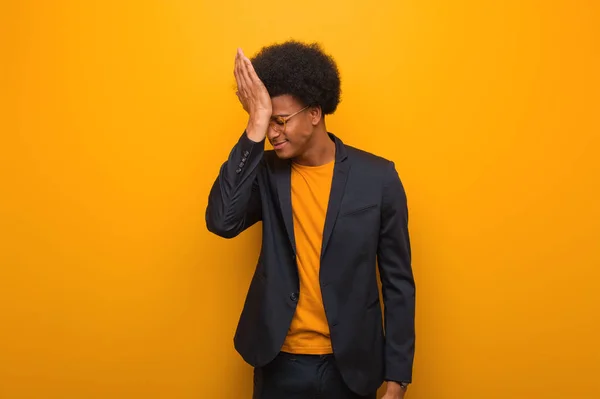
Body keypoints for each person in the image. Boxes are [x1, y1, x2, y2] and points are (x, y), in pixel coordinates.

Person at [206, 40, 415, 399]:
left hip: (351, 365)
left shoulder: (378, 178)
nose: (273, 133)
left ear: (315, 113)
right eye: (267, 122)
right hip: (277, 360)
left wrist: (397, 379)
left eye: (281, 120)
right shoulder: (266, 173)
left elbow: (398, 283)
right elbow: (222, 221)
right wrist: (254, 125)